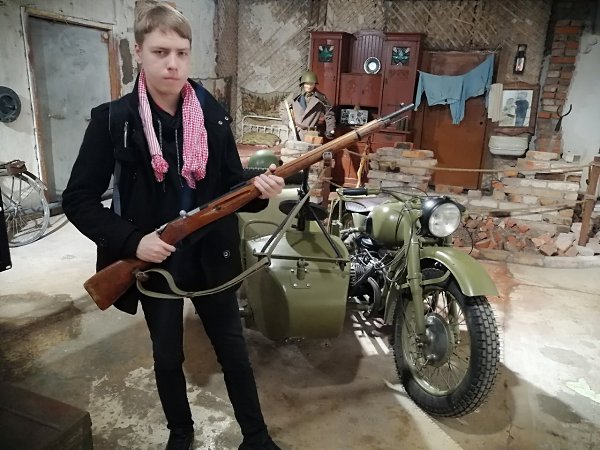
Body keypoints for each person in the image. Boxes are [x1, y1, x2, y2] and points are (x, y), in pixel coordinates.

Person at [62, 2, 284, 450]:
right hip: (153, 261)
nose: (173, 64)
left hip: (211, 253)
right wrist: (133, 242)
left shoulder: (211, 114)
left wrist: (258, 188)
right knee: (167, 356)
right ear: (138, 52)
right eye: (160, 52)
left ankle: (256, 437)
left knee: (234, 353)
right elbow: (78, 200)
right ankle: (181, 434)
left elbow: (229, 184)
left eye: (182, 53)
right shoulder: (113, 121)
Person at [280, 70, 335, 141]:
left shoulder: (321, 98)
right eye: (307, 84)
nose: (309, 86)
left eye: (311, 84)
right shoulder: (295, 96)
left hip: (311, 134)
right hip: (295, 132)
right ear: (303, 84)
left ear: (315, 84)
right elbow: (283, 107)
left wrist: (330, 129)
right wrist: (288, 122)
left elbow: (329, 113)